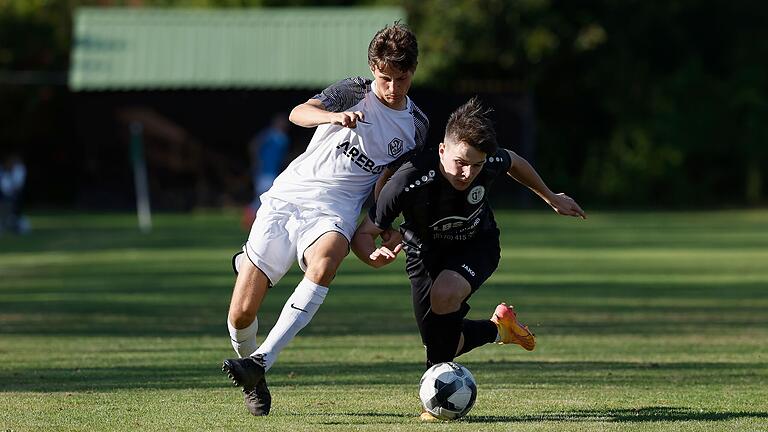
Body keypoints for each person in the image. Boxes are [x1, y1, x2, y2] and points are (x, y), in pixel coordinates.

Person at [221, 22, 429, 416]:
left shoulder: (416, 126)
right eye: (385, 78)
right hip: (287, 199)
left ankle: (262, 360)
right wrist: (333, 117)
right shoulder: (352, 91)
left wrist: (377, 228)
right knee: (241, 315)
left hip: (335, 211)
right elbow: (299, 113)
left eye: (401, 79)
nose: (392, 88)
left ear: (413, 72)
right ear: (372, 69)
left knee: (329, 257)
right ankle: (254, 373)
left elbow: (390, 182)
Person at [351, 98, 586, 420]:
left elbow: (513, 160)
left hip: (478, 245)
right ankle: (499, 329)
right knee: (439, 343)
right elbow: (364, 234)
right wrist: (373, 256)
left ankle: (434, 406)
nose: (468, 173)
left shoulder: (487, 163)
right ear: (442, 150)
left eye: (476, 165)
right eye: (462, 162)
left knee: (445, 295)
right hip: (422, 253)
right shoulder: (408, 180)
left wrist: (550, 197)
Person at [241, 114, 291, 230]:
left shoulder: (284, 139)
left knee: (267, 196)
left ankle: (255, 219)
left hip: (274, 171)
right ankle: (249, 217)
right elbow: (253, 145)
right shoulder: (269, 134)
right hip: (264, 171)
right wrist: (256, 161)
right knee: (263, 196)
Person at [0, 153, 29, 235]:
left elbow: (17, 186)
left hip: (13, 197)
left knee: (15, 213)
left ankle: (20, 227)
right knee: (5, 213)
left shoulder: (18, 170)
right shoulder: (4, 173)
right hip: (6, 197)